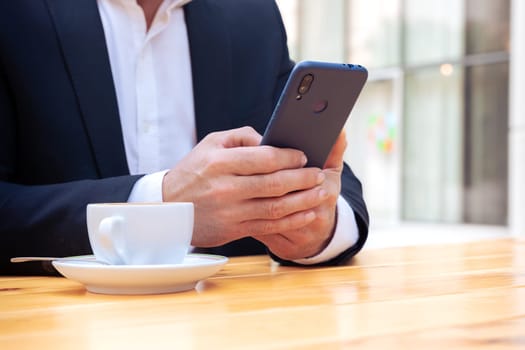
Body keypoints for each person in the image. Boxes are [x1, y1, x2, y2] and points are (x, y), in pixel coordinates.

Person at [0, 0, 369, 275]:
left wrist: (316, 225)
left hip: (237, 323)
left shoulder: (250, 14)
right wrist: (161, 201)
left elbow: (333, 182)